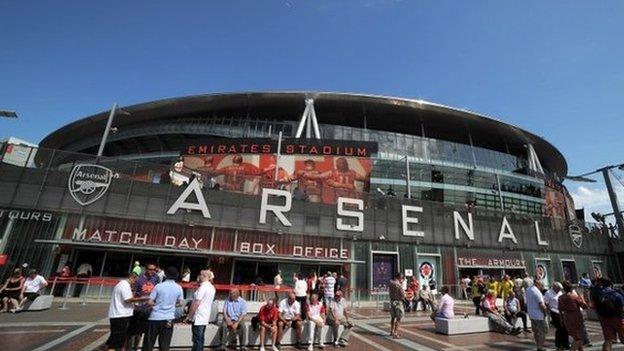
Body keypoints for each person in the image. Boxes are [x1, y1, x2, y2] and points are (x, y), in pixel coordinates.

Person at [142, 267, 185, 351]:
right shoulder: (179, 287)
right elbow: (180, 303)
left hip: (155, 317)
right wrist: (172, 305)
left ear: (165, 274)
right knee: (165, 344)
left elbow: (150, 302)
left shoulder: (158, 286)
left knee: (149, 343)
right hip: (169, 318)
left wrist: (157, 305)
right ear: (176, 275)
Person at [106, 272, 146, 351]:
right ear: (132, 278)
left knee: (114, 338)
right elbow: (128, 299)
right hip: (120, 315)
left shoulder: (121, 284)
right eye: (135, 280)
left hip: (118, 314)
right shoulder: (124, 285)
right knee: (117, 340)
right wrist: (142, 299)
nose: (135, 282)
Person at [128, 262, 160, 349]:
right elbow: (133, 292)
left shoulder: (155, 279)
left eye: (154, 269)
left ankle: (137, 347)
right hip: (138, 308)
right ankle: (131, 347)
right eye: (150, 269)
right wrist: (133, 304)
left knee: (145, 330)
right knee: (134, 331)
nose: (152, 271)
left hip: (149, 309)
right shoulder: (139, 279)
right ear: (146, 269)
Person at [591, 277, 624, 351]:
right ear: (611, 284)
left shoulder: (597, 295)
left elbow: (594, 307)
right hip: (617, 318)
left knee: (608, 340)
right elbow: (622, 308)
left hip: (604, 319)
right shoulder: (615, 293)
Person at [186, 270, 216, 351]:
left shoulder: (203, 287)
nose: (199, 276)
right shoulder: (212, 287)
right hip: (205, 315)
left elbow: (197, 302)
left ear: (203, 276)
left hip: (198, 316)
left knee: (197, 340)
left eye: (200, 275)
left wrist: (189, 316)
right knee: (200, 339)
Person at [559, 281, 588, 351]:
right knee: (579, 338)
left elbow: (560, 309)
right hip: (576, 316)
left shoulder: (561, 297)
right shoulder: (574, 296)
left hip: (566, 317)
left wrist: (561, 320)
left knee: (576, 337)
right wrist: (582, 297)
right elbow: (585, 306)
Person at [524, 278, 548, 351]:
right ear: (538, 284)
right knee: (543, 331)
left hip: (531, 314)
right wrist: (545, 312)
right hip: (539, 315)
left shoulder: (528, 290)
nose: (542, 286)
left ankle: (538, 346)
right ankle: (540, 347)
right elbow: (541, 305)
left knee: (536, 332)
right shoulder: (537, 292)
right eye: (542, 285)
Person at [544, 282, 569, 350]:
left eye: (560, 289)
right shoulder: (548, 293)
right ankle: (558, 344)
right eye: (558, 289)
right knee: (559, 328)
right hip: (554, 311)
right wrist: (548, 311)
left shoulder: (560, 292)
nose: (559, 290)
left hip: (562, 312)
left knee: (565, 328)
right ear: (554, 287)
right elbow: (546, 303)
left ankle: (566, 343)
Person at [389, 273, 405, 338]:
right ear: (400, 278)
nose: (402, 280)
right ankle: (395, 333)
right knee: (399, 318)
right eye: (402, 279)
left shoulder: (391, 283)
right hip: (398, 302)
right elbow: (403, 295)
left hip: (392, 301)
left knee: (393, 317)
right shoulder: (399, 285)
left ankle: (391, 331)